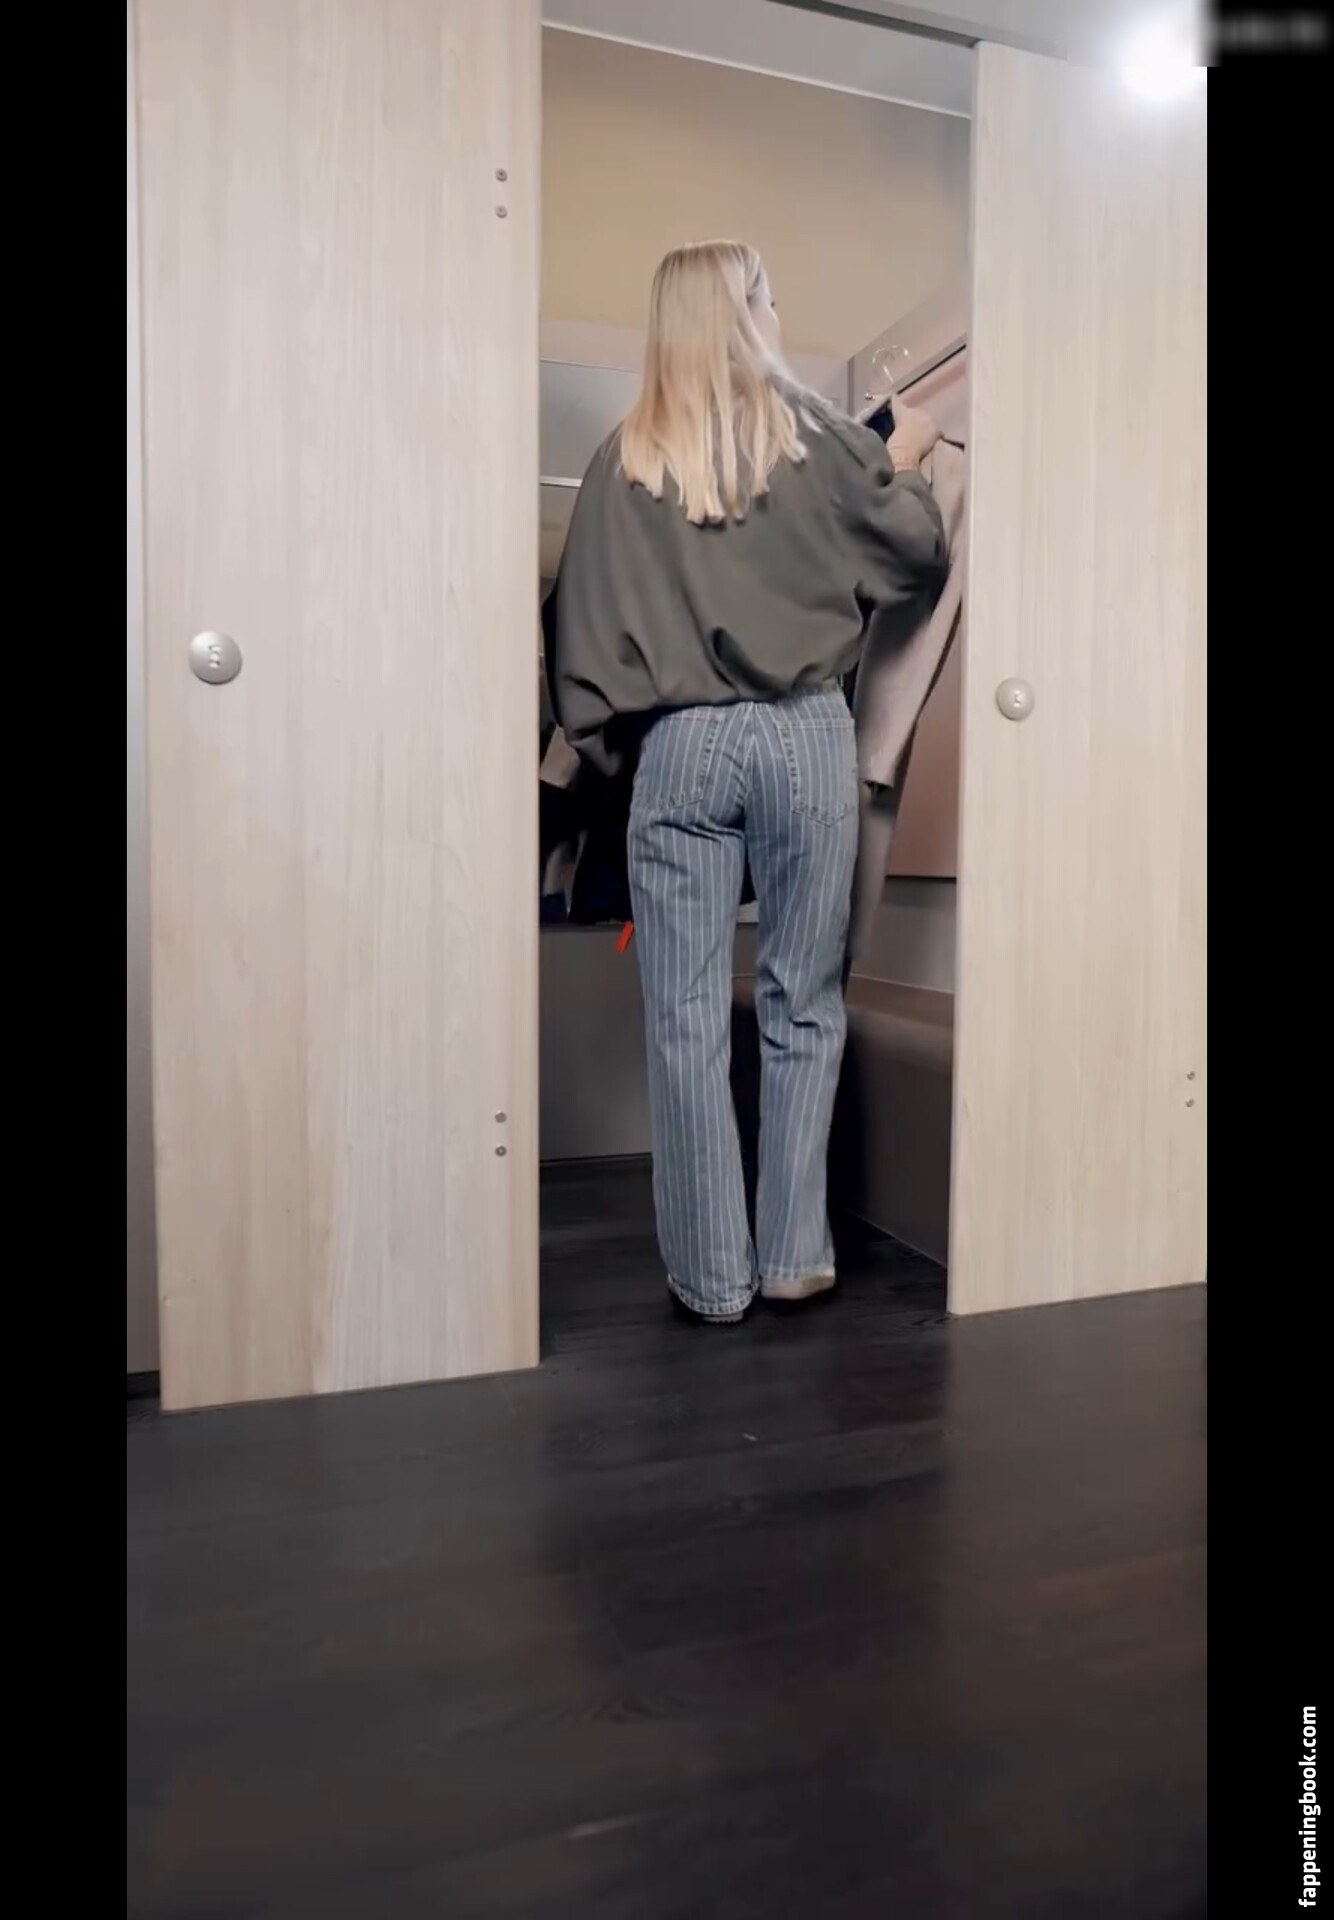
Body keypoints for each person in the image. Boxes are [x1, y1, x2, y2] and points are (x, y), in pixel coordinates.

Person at [546, 240, 946, 1324]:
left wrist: (631, 758)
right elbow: (914, 555)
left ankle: (712, 1280)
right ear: (751, 311)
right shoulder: (818, 436)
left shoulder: (624, 457)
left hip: (681, 742)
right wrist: (906, 461)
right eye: (769, 299)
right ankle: (793, 1256)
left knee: (682, 1019)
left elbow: (580, 644)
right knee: (803, 1003)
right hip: (807, 733)